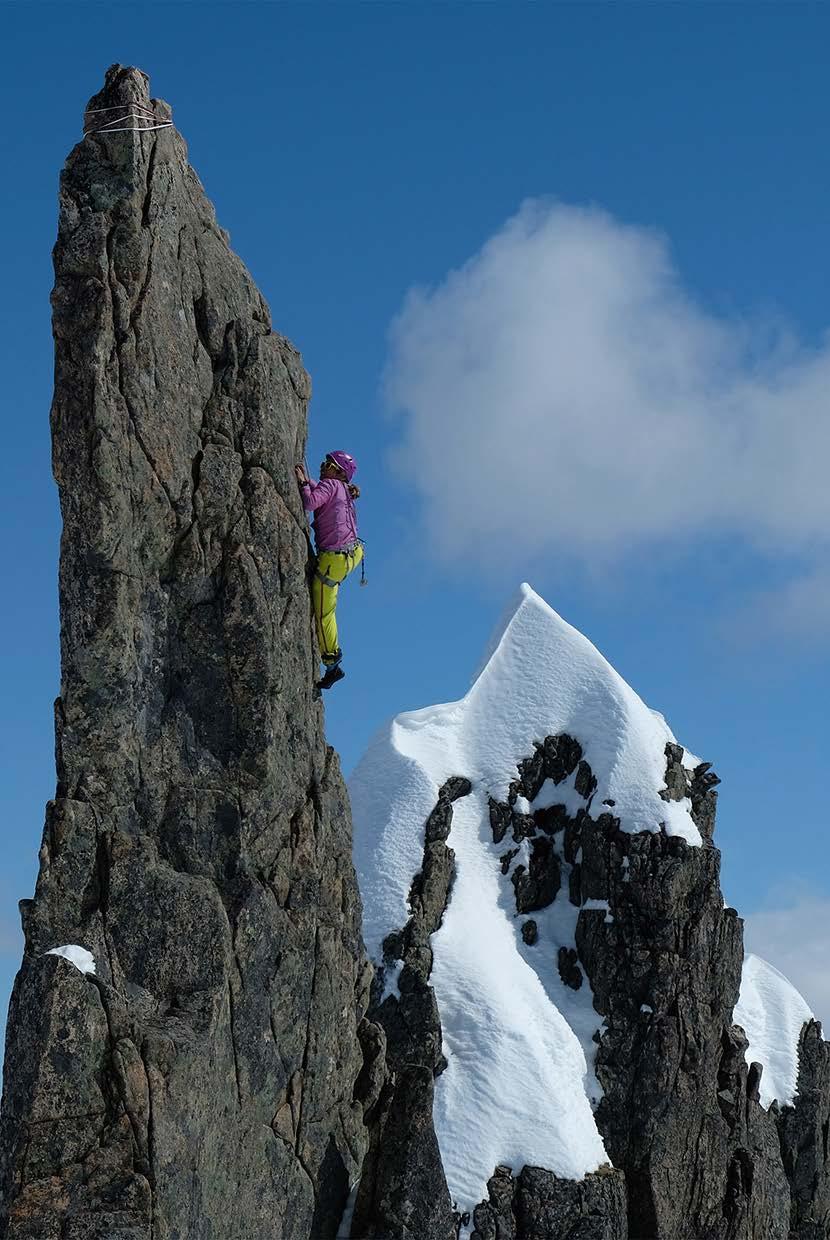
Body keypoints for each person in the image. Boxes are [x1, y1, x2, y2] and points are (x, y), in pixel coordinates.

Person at [294, 451, 363, 689]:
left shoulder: (331, 484)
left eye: (328, 464)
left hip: (334, 559)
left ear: (339, 472)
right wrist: (311, 483)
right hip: (351, 555)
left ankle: (332, 664)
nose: (323, 467)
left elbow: (310, 502)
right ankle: (332, 661)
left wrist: (304, 484)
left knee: (324, 613)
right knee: (329, 603)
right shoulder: (342, 489)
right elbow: (325, 496)